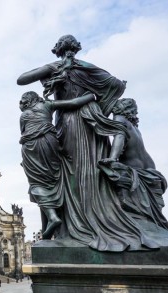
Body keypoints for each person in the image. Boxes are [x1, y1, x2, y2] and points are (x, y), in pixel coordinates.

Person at [17, 34, 162, 251]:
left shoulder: (56, 67)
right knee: (90, 171)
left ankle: (80, 226)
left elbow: (22, 79)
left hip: (69, 122)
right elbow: (115, 85)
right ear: (75, 49)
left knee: (72, 171)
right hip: (92, 121)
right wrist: (96, 98)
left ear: (58, 50)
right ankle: (95, 218)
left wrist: (55, 68)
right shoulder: (88, 67)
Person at [19, 91, 96, 239]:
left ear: (29, 100)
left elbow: (24, 133)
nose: (20, 104)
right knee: (53, 179)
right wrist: (92, 95)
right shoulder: (47, 105)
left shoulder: (24, 115)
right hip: (50, 143)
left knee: (36, 184)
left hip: (30, 148)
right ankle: (50, 224)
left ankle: (53, 217)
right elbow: (73, 103)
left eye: (22, 100)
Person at [98, 98, 168, 231]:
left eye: (119, 104)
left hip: (134, 170)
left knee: (135, 213)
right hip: (151, 171)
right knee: (151, 217)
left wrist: (112, 158)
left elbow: (119, 136)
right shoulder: (135, 127)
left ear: (122, 108)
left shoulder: (119, 119)